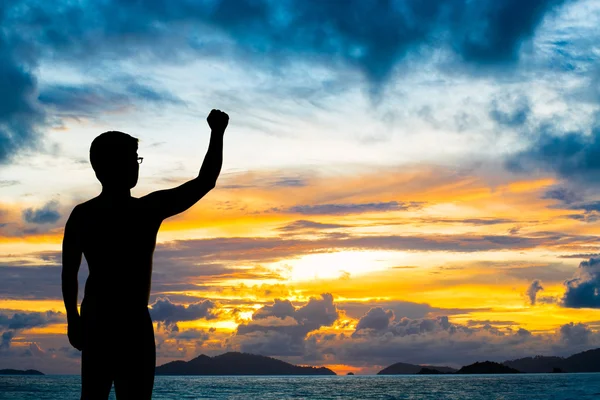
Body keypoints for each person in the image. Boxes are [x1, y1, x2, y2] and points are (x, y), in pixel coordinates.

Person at [61, 109, 229, 399]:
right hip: (122, 322)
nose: (136, 166)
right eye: (132, 159)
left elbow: (69, 273)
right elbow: (205, 181)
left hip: (102, 319)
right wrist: (217, 132)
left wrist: (73, 319)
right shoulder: (144, 210)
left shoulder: (85, 214)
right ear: (109, 166)